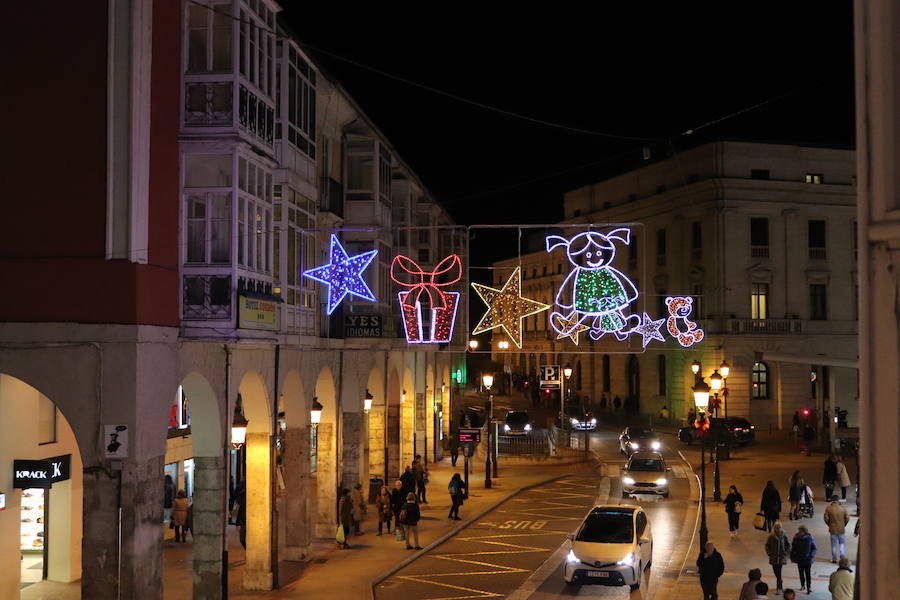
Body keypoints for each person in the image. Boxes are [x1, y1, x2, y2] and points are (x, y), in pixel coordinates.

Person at [789, 525, 816, 594]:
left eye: (801, 531)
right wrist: (792, 557)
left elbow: (814, 548)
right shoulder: (796, 538)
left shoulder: (810, 538)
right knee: (801, 573)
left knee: (808, 574)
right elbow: (793, 548)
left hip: (807, 559)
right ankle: (802, 585)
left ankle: (808, 587)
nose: (800, 532)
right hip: (800, 559)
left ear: (805, 532)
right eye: (799, 531)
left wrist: (811, 555)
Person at [765, 521, 791, 593]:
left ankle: (778, 588)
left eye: (779, 527)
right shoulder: (771, 536)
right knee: (775, 571)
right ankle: (780, 581)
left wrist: (786, 553)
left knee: (779, 572)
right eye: (776, 528)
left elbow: (788, 545)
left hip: (781, 557)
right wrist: (769, 553)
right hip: (773, 557)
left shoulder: (784, 535)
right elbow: (767, 545)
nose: (778, 529)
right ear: (774, 528)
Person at [823, 495, 849, 562]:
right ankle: (842, 558)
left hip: (832, 529)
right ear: (838, 500)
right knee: (842, 544)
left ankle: (834, 559)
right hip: (841, 529)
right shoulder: (843, 508)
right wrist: (844, 525)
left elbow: (826, 518)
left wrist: (829, 525)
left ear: (832, 500)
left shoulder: (828, 508)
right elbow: (847, 518)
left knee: (834, 545)